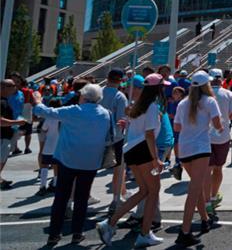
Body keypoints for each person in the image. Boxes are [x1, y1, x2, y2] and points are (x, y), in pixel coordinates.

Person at [32, 83, 111, 246]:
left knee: (61, 197)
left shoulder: (74, 110)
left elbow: (45, 112)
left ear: (83, 96)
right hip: (90, 162)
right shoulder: (106, 114)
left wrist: (38, 101)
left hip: (68, 159)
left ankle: (54, 234)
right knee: (82, 198)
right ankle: (77, 233)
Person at [97, 74, 166, 247]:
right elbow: (149, 134)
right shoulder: (150, 106)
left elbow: (133, 126)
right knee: (153, 190)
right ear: (156, 88)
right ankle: (144, 233)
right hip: (143, 150)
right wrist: (156, 158)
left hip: (132, 150)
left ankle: (111, 222)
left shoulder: (137, 106)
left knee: (144, 191)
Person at [172, 71, 222, 246]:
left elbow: (177, 127)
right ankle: (184, 230)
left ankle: (204, 218)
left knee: (197, 185)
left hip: (185, 148)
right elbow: (217, 125)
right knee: (194, 190)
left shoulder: (183, 103)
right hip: (201, 147)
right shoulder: (210, 101)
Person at [206, 69, 232, 215]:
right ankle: (213, 196)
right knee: (218, 168)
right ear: (221, 79)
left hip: (204, 137)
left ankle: (206, 200)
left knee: (207, 170)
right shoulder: (228, 93)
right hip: (222, 136)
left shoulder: (203, 95)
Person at [100, 68, 129, 212]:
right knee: (118, 168)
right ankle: (115, 199)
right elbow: (121, 120)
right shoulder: (120, 96)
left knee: (89, 168)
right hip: (115, 137)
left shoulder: (98, 92)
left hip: (95, 135)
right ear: (120, 80)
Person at [1, 79, 27, 190]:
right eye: (12, 86)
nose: (14, 88)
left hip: (7, 134)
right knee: (1, 159)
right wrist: (18, 123)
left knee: (4, 158)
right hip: (2, 136)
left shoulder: (6, 100)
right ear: (3, 87)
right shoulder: (2, 102)